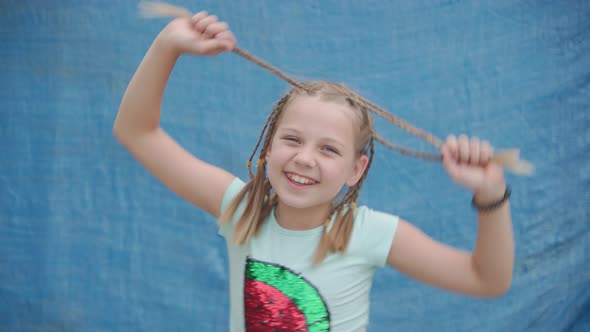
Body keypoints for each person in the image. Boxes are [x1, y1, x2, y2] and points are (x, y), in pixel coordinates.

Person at [114, 11, 514, 332]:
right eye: (292, 140)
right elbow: (136, 131)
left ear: (356, 169)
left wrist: (490, 193)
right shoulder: (239, 211)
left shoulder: (368, 233)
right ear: (269, 147)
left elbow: (486, 279)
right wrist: (168, 45)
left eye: (328, 149)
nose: (305, 158)